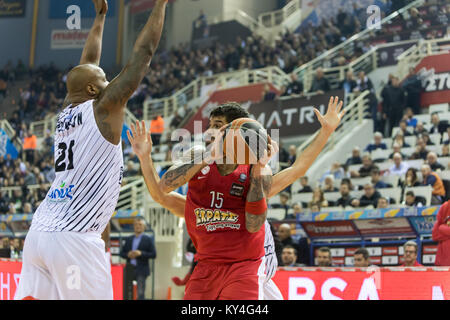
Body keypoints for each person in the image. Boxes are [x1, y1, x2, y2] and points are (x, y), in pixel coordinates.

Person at [15, 0, 168, 300]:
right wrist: (160, 3)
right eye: (105, 81)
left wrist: (99, 18)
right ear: (94, 91)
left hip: (39, 235)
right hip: (74, 239)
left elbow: (87, 65)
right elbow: (143, 54)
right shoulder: (103, 107)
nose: (110, 82)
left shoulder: (66, 111)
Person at [129, 97, 345, 300]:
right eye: (210, 125)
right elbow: (161, 190)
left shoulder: (254, 168)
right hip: (207, 264)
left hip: (247, 262)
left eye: (218, 125)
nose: (210, 130)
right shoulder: (198, 156)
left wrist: (326, 131)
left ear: (235, 132)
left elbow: (296, 169)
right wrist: (145, 157)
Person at [120, 217, 156, 300]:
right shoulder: (129, 239)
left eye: (140, 224)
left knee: (140, 293)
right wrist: (127, 254)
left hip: (142, 270)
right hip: (129, 269)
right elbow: (122, 253)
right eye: (136, 224)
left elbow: (153, 254)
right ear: (133, 226)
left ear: (144, 227)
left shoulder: (148, 239)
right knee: (127, 292)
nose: (138, 226)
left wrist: (141, 253)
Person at [432, 201, 450, 266]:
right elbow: (435, 234)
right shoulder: (446, 206)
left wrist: (442, 228)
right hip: (443, 263)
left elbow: (440, 229)